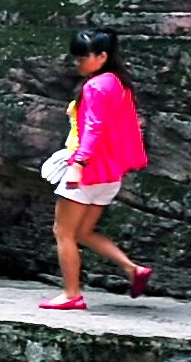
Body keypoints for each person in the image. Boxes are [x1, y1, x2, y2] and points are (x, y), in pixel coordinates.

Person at [39, 26, 152, 311]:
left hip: (88, 172)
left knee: (63, 232)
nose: (77, 63)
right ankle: (132, 268)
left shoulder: (96, 87)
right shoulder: (118, 83)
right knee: (83, 232)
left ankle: (71, 294)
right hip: (109, 174)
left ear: (102, 56)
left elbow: (93, 128)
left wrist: (78, 164)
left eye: (82, 57)